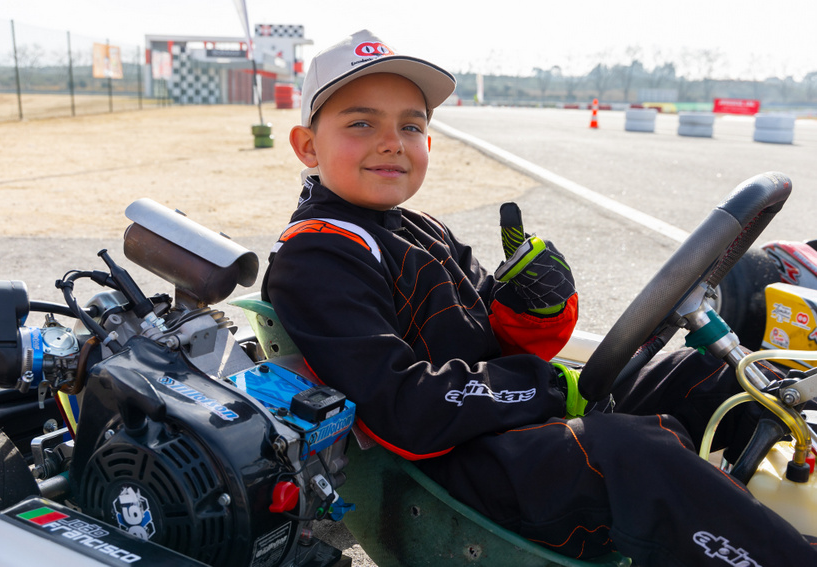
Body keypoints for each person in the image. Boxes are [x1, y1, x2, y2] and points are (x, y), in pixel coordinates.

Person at [261, 29, 817, 565]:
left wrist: (535, 305)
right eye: (361, 123)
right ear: (308, 145)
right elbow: (405, 411)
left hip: (500, 429)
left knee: (723, 381)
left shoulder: (418, 229)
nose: (392, 142)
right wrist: (544, 389)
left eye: (411, 125)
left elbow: (502, 341)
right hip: (449, 472)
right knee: (634, 451)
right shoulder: (319, 258)